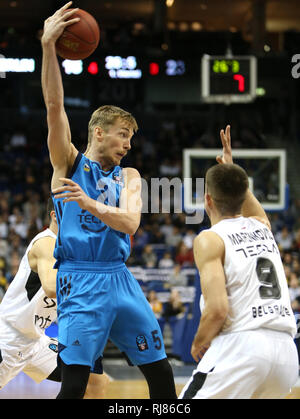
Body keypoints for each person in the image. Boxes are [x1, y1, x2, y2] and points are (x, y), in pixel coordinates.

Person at [41, 2, 176, 399]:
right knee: (75, 385)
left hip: (120, 278)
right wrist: (49, 47)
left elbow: (131, 223)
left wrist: (90, 203)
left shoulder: (130, 176)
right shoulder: (68, 163)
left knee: (162, 375)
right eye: (121, 135)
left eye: (131, 138)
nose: (128, 145)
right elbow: (54, 107)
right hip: (79, 280)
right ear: (98, 132)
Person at [179, 126, 298, 399]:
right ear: (244, 195)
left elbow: (218, 309)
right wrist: (232, 170)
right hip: (286, 353)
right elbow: (248, 201)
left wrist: (198, 342)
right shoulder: (262, 226)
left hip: (242, 346)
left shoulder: (210, 239)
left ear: (207, 200)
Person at [0, 199, 109, 398]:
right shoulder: (46, 242)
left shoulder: (71, 251)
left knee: (95, 379)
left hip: (35, 341)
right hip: (7, 339)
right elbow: (51, 287)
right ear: (55, 216)